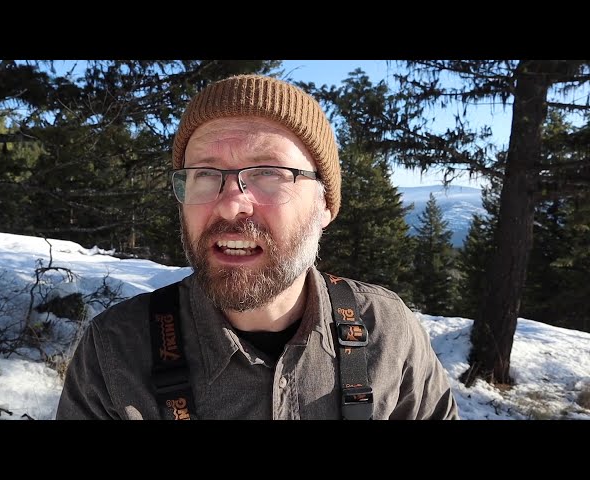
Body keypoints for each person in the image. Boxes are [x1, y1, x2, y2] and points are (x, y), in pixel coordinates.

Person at [56, 74, 459, 420]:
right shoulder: (116, 353)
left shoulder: (387, 333)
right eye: (204, 173)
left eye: (269, 172)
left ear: (324, 204)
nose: (231, 204)